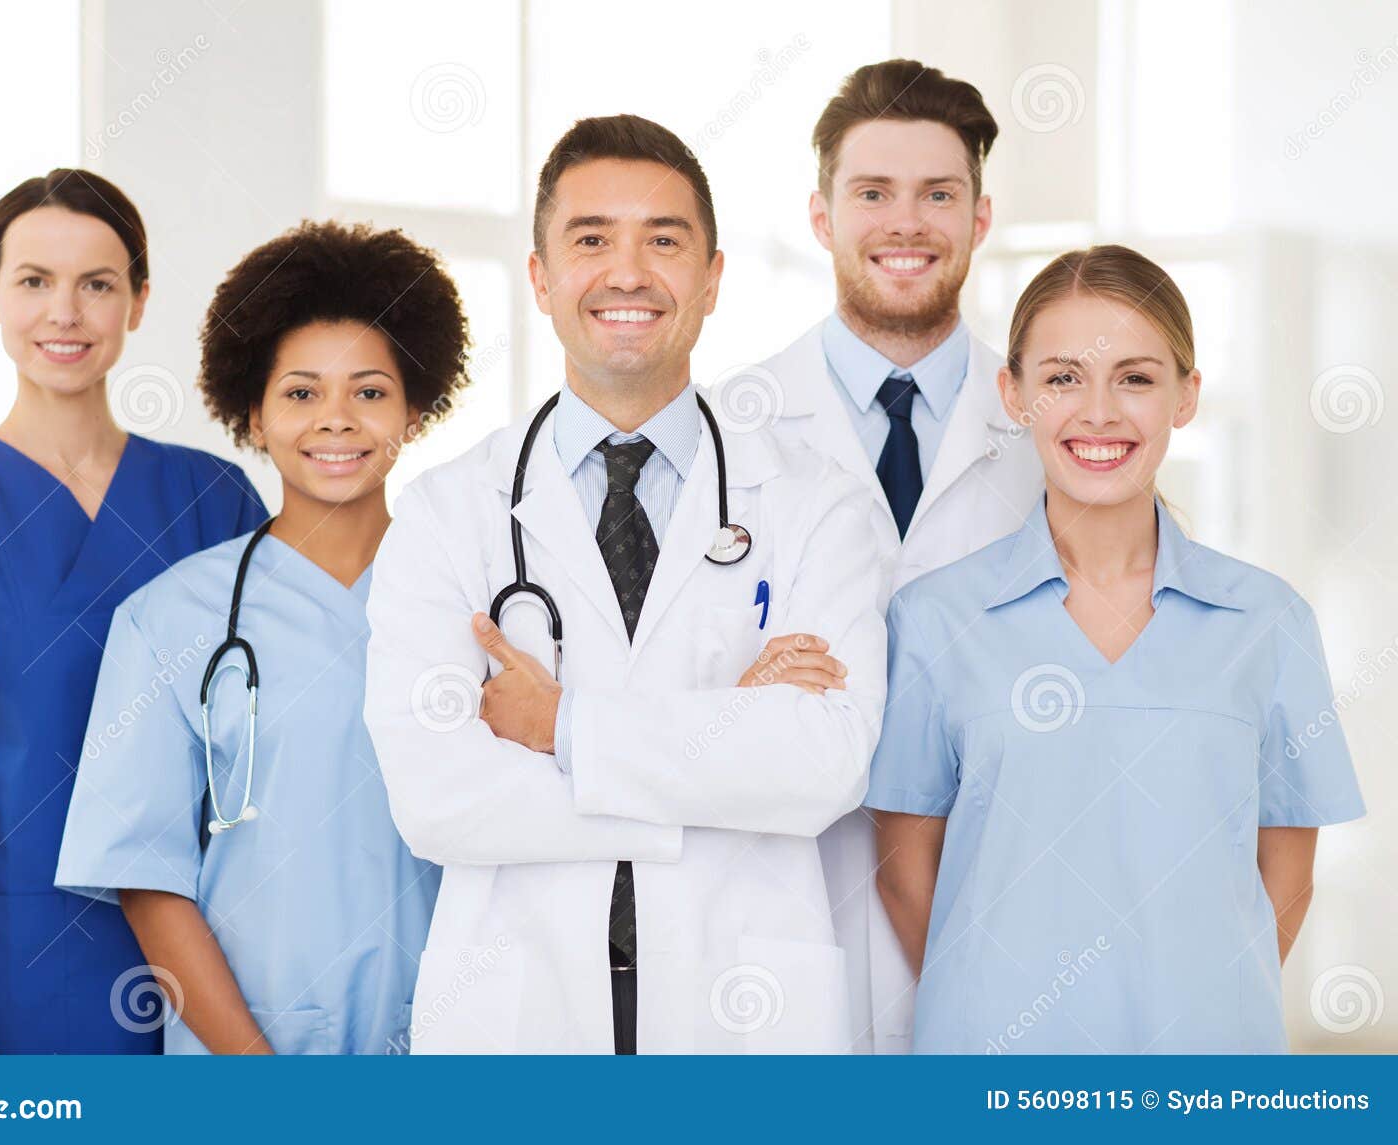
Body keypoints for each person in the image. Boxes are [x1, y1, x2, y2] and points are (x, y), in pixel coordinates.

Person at [364, 115, 890, 1054]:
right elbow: (436, 795)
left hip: (747, 1009)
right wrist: (722, 740)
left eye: (664, 240)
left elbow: (822, 763)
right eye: (592, 239)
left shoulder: (818, 504)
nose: (628, 272)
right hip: (519, 1010)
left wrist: (563, 725)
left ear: (713, 278)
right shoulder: (448, 512)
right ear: (540, 277)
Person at [864, 245, 1366, 1053]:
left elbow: (1287, 879)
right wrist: (1002, 1005)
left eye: (1134, 377)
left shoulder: (1269, 622)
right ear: (1015, 394)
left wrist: (1193, 1001)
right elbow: (902, 872)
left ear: (1185, 396)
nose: (1098, 412)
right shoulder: (935, 618)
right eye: (1063, 377)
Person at [0, 169, 267, 1054]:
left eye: (97, 284)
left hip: (189, 969)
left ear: (139, 302)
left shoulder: (210, 499)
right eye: (34, 281)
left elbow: (270, 757)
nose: (64, 312)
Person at [54, 220, 465, 1054]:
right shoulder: (171, 619)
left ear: (416, 411)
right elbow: (149, 880)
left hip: (462, 1041)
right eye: (302, 392)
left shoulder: (473, 600)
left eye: (372, 391)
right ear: (253, 412)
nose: (337, 421)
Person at [741, 59, 1043, 1053]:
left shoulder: (1059, 430)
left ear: (980, 216)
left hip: (1006, 901)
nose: (905, 223)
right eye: (872, 192)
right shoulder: (723, 432)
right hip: (781, 913)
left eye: (937, 194)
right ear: (822, 216)